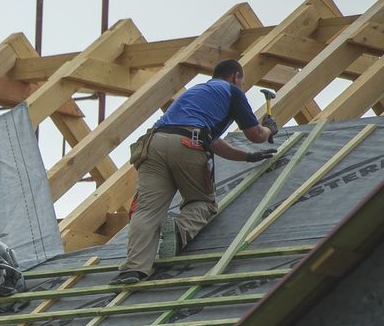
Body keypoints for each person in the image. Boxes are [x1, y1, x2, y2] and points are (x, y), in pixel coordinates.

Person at [110, 59, 278, 285]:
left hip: (153, 144)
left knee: (146, 211)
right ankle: (178, 231)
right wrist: (269, 129)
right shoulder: (232, 91)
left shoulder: (197, 93)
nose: (241, 86)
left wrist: (246, 156)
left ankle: (134, 269)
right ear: (235, 77)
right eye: (242, 82)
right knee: (203, 202)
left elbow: (212, 140)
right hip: (188, 145)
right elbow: (255, 135)